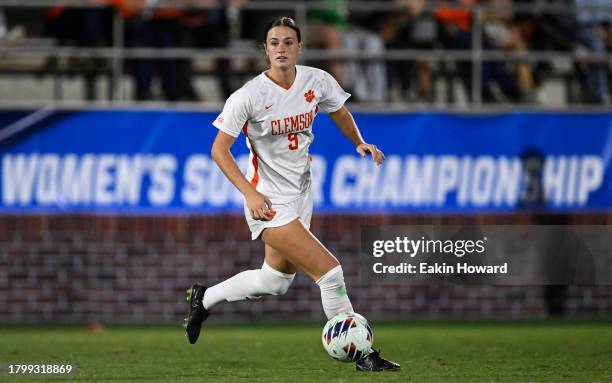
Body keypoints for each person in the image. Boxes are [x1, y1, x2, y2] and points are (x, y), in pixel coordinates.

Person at [184, 16, 400, 372]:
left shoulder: (317, 80)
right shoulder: (249, 95)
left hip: (301, 193)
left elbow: (339, 111)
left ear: (299, 48)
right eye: (274, 43)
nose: (281, 49)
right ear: (265, 50)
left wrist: (359, 142)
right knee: (330, 273)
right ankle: (364, 355)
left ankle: (203, 298)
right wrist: (250, 195)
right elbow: (218, 150)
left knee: (274, 282)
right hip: (268, 201)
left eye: (288, 42)